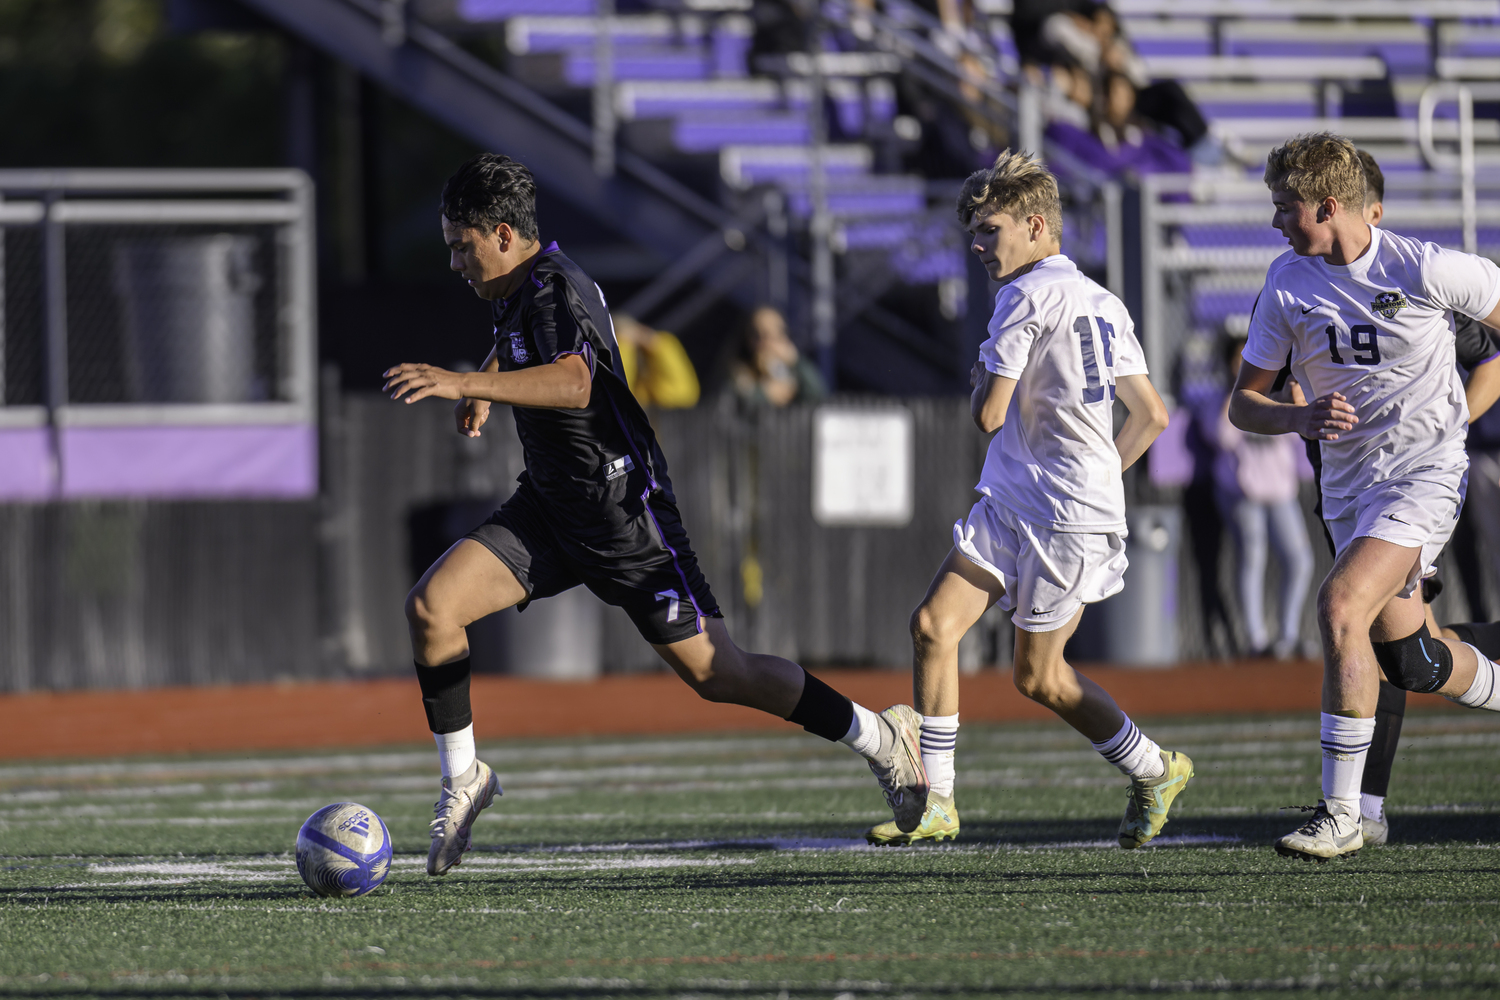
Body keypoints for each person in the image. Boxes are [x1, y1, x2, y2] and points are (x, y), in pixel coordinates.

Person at [383, 154, 927, 876]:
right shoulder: (517, 282)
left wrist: (464, 382)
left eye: (463, 244)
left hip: (624, 517)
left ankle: (879, 735)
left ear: (505, 233)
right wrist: (490, 382)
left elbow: (576, 383)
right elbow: (530, 344)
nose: (455, 260)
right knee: (433, 609)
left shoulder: (553, 287)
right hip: (550, 508)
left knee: (721, 674)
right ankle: (464, 779)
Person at [865, 150, 1188, 849]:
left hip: (1061, 518)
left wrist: (981, 371)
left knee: (1039, 678)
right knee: (932, 627)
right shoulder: (1102, 299)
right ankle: (938, 801)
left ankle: (1154, 768)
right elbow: (1152, 416)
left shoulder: (1024, 296)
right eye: (974, 233)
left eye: (990, 229)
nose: (979, 246)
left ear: (1036, 224)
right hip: (1021, 499)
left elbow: (986, 415)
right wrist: (1105, 475)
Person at [1229, 132, 1500, 862]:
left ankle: (1344, 813)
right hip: (1348, 489)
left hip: (1425, 476)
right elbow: (1243, 405)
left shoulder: (1427, 267)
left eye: (1287, 208)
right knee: (1414, 661)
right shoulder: (1285, 283)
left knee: (1339, 604)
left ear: (1330, 205)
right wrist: (1298, 418)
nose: (1278, 222)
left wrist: (1461, 417)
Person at [1216, 334, 1314, 659]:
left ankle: (1287, 637)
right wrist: (1237, 394)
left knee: (1300, 561)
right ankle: (1256, 641)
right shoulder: (1231, 402)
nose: (1244, 364)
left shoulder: (1280, 395)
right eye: (1238, 359)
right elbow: (1219, 436)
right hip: (1246, 496)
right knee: (1253, 560)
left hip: (1281, 494)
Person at [730, 305, 827, 407]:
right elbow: (733, 407)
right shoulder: (739, 371)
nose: (766, 342)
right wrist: (764, 394)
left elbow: (819, 400)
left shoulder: (795, 369)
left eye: (774, 334)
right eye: (758, 335)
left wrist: (797, 362)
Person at [611, 313, 700, 410]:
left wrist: (656, 344)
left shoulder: (648, 387)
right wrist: (624, 346)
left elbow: (685, 397)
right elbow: (618, 396)